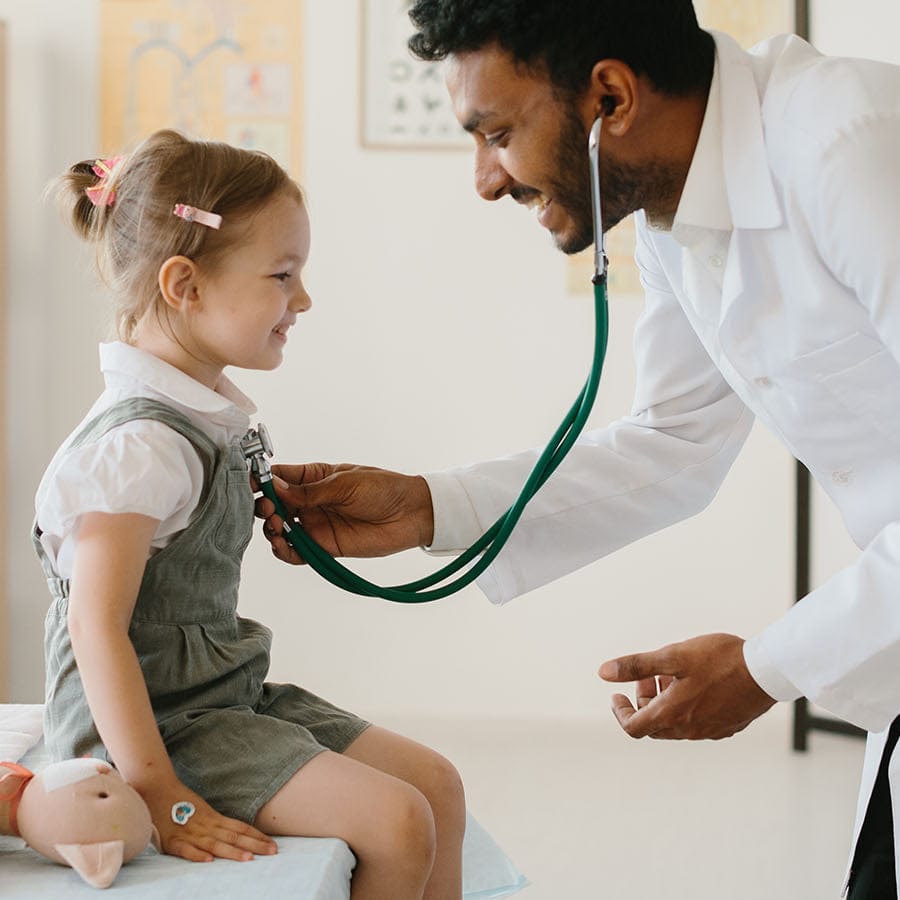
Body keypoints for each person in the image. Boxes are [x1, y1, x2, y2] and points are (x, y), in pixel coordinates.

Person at [256, 2, 900, 898]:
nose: (486, 179)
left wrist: (767, 667)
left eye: (498, 133)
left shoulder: (850, 147)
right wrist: (429, 507)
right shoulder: (677, 211)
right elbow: (674, 441)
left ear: (610, 95)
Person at [34, 129, 465, 900]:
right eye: (282, 275)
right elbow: (93, 629)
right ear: (184, 285)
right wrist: (160, 792)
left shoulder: (198, 420)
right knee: (399, 821)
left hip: (220, 701)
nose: (301, 299)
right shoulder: (141, 446)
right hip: (151, 729)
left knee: (436, 785)